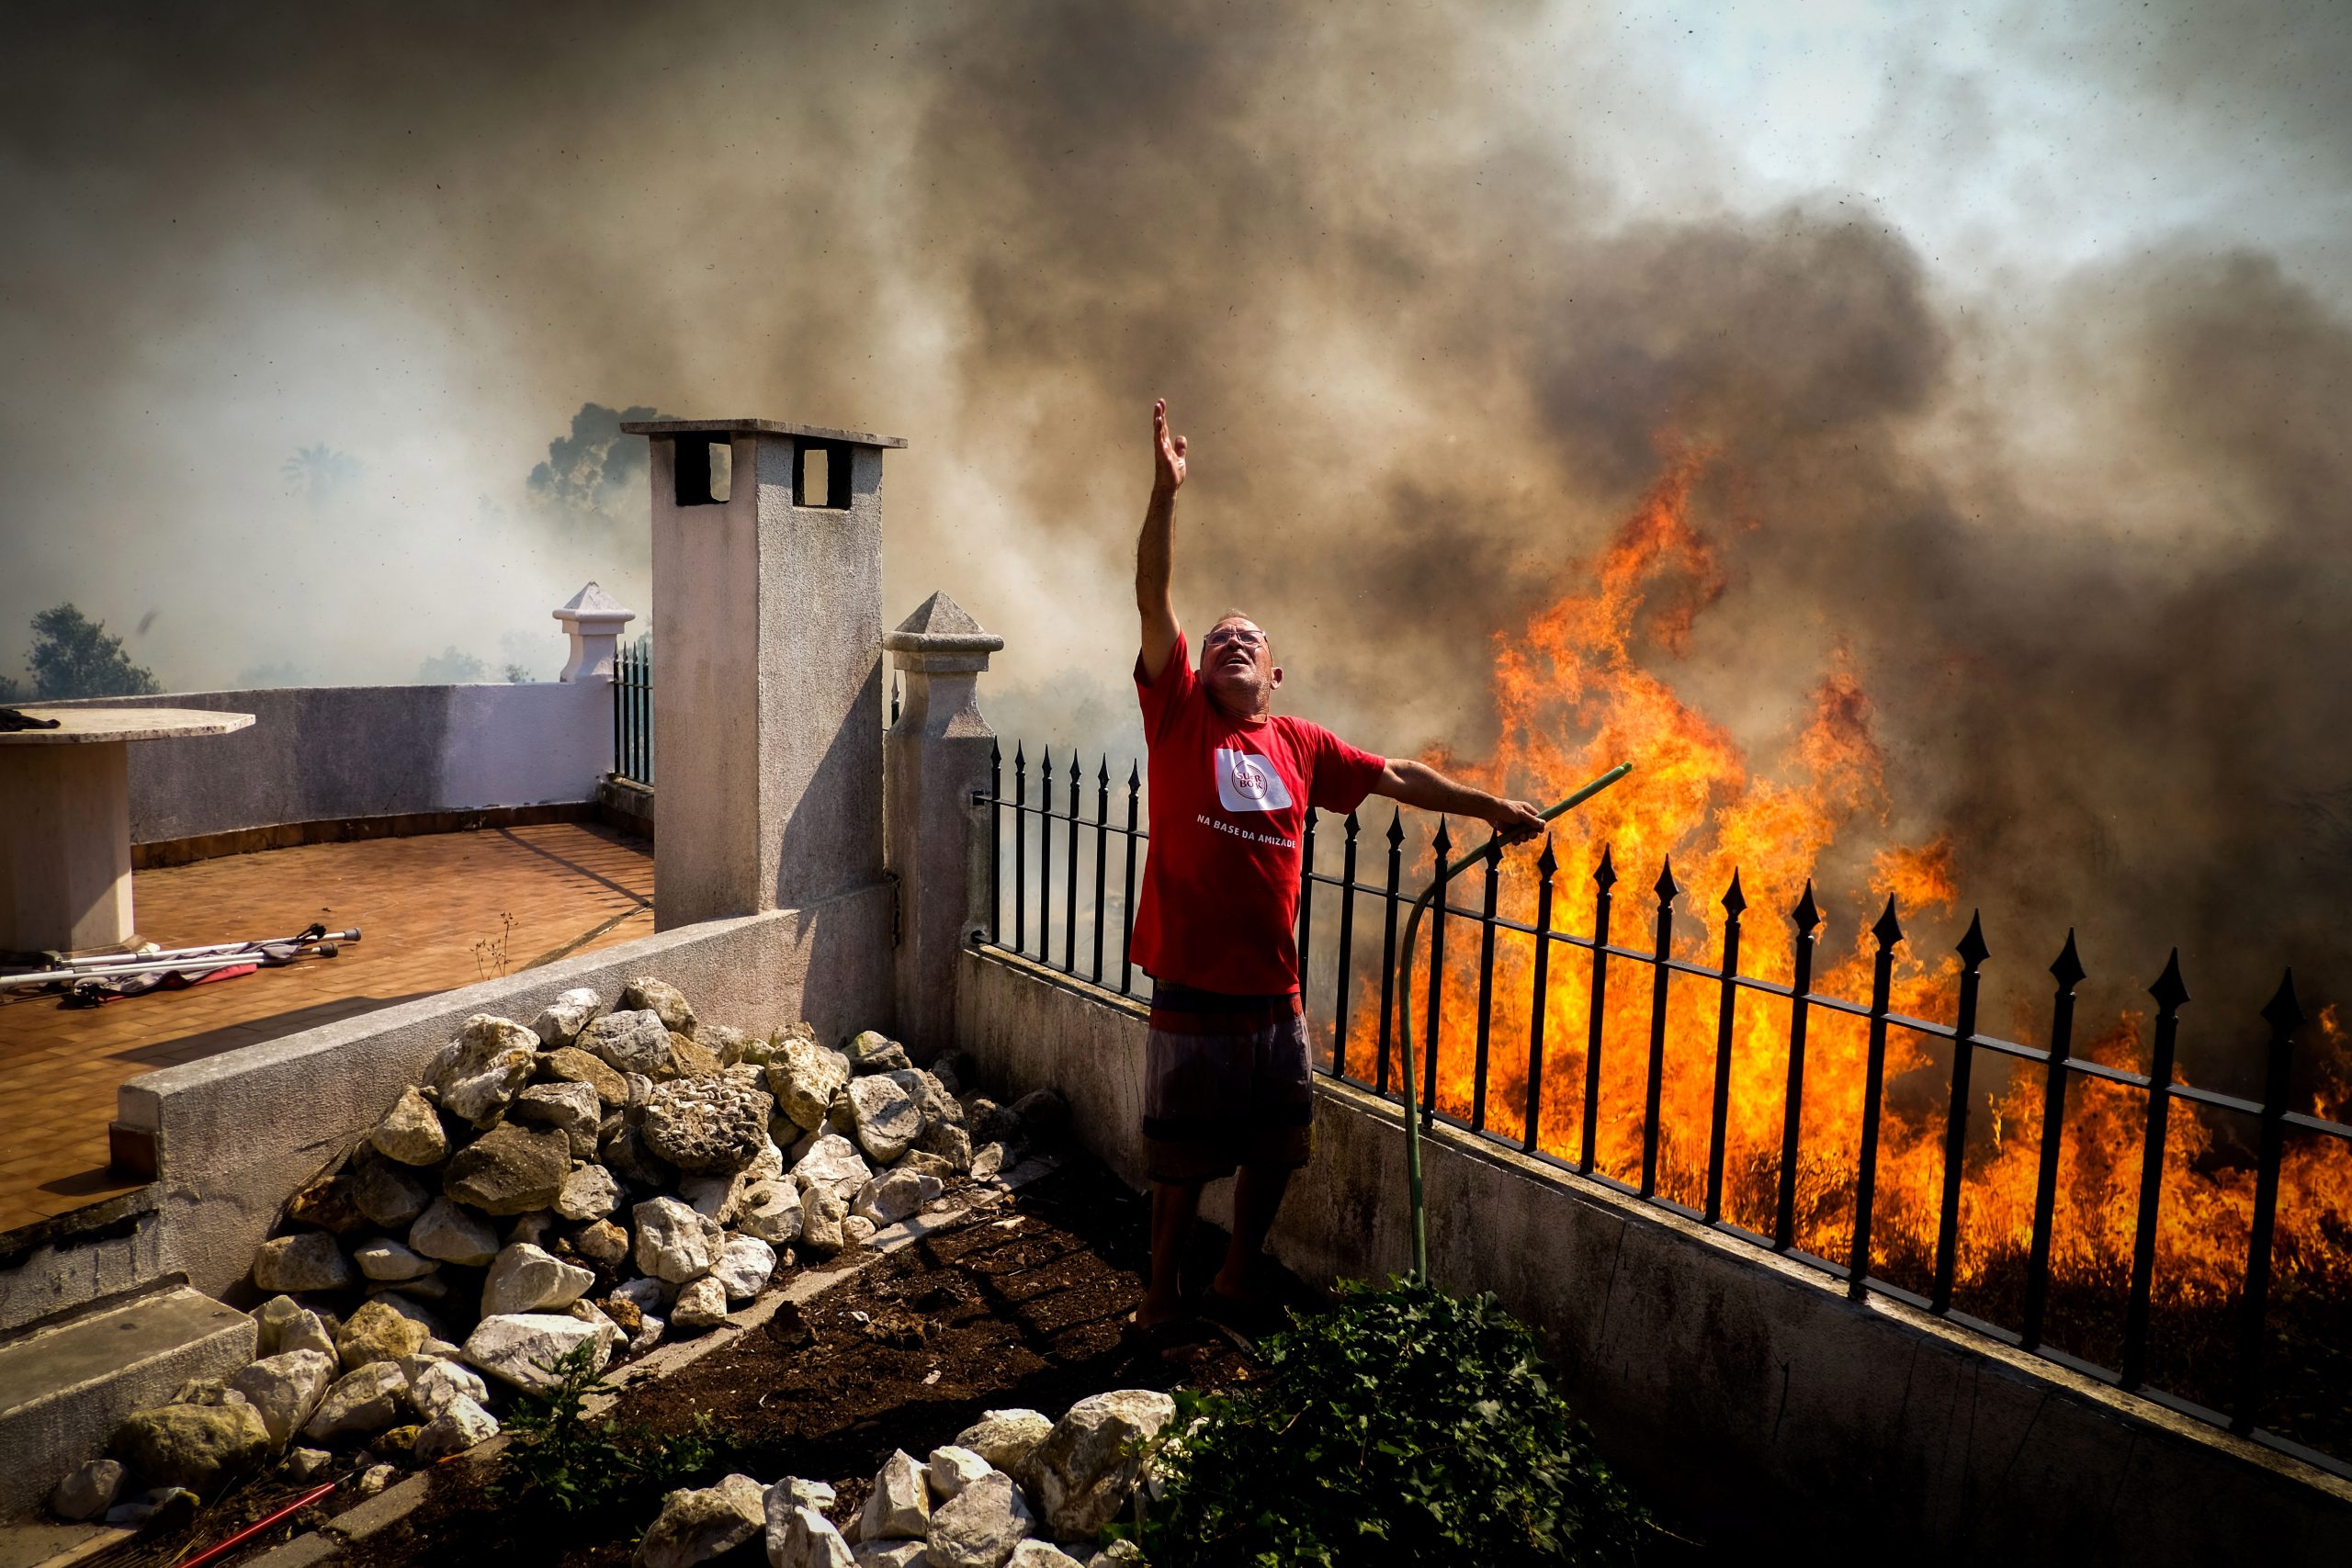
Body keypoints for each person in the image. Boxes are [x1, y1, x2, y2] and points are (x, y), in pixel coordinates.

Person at [1131, 397, 1546, 1331]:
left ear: (1275, 674)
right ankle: (1160, 1299)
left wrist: (1489, 806)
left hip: (1272, 991)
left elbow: (1395, 770)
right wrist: (1165, 496)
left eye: (1250, 640)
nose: (1230, 641)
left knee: (1276, 1146)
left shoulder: (1301, 742)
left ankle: (1237, 1277)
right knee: (1181, 1158)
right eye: (1218, 639)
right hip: (1193, 981)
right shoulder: (1178, 715)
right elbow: (1154, 597)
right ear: (1196, 670)